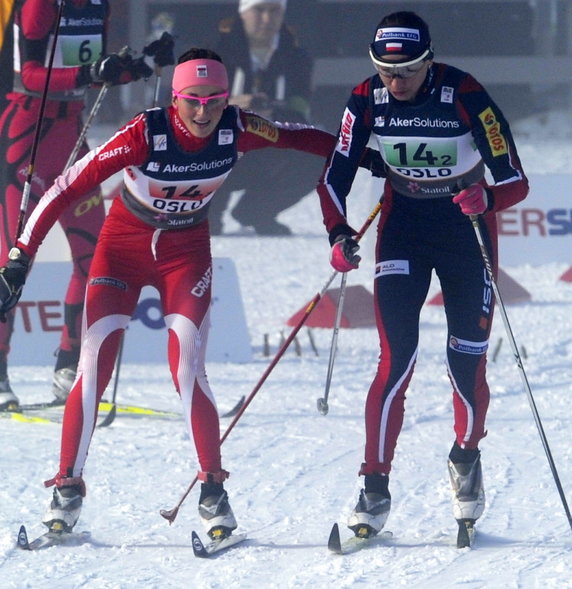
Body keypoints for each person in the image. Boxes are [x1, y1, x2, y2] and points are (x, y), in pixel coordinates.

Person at [0, 47, 382, 539]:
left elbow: (296, 136)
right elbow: (65, 188)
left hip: (185, 254)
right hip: (121, 251)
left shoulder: (237, 127)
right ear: (176, 98)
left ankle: (213, 491)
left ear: (226, 99)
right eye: (193, 101)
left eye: (214, 100)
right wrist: (19, 259)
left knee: (187, 368)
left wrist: (362, 155)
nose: (203, 113)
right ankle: (67, 487)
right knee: (93, 365)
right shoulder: (146, 133)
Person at [317, 11, 529, 540]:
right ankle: (373, 484)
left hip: (465, 231)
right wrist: (338, 234)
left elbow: (515, 179)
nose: (397, 81)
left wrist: (490, 197)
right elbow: (333, 176)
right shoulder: (366, 98)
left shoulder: (465, 92)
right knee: (397, 359)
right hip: (404, 228)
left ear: (429, 61)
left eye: (409, 69)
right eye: (387, 71)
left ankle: (465, 455)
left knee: (465, 361)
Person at [0, 0, 151, 411]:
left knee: (96, 256)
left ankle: (68, 368)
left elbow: (91, 67)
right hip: (26, 137)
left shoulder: (98, 4)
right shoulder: (40, 4)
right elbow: (30, 74)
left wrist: (136, 65)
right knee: (14, 260)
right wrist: (91, 72)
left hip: (72, 133)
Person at [208, 0, 322, 236]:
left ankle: (256, 210)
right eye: (259, 10)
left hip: (269, 144)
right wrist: (233, 105)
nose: (267, 19)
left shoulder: (297, 57)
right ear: (243, 13)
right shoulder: (216, 52)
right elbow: (192, 105)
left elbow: (301, 108)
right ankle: (210, 212)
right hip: (221, 145)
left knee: (322, 155)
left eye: (274, 11)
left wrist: (272, 114)